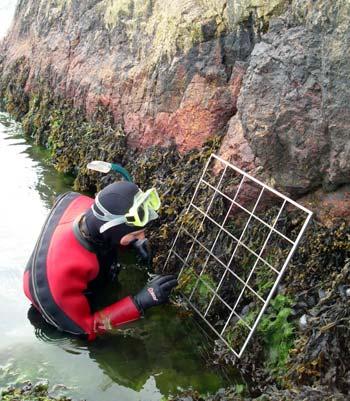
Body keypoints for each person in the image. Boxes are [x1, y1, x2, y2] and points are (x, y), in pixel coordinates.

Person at [23, 181, 178, 340]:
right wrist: (140, 302)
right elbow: (86, 328)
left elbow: (111, 233)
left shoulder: (87, 206)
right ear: (111, 230)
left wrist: (132, 244)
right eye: (135, 235)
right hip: (52, 304)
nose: (142, 239)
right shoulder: (61, 278)